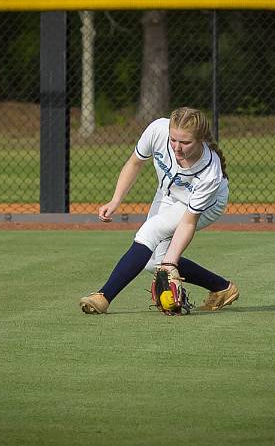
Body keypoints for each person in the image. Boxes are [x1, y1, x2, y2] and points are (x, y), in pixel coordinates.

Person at [79, 107, 239, 314]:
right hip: (168, 192)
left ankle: (104, 296)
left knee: (151, 231)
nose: (177, 148)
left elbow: (188, 222)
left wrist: (171, 263)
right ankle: (221, 288)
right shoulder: (157, 130)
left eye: (185, 142)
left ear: (201, 139)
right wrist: (115, 200)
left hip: (206, 203)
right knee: (151, 261)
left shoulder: (210, 172)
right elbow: (135, 163)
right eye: (173, 140)